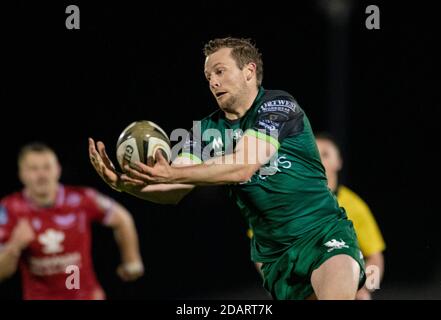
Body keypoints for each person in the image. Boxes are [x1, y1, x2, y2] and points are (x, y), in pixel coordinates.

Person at [88, 37, 366, 299]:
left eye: (220, 71)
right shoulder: (206, 131)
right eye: (208, 76)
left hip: (324, 233)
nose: (213, 82)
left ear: (249, 70)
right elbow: (173, 191)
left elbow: (243, 166)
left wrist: (171, 172)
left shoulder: (278, 106)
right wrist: (126, 185)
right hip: (275, 255)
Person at [0, 143, 144, 299]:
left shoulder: (82, 199)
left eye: (47, 167)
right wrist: (14, 245)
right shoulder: (9, 209)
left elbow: (122, 218)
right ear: (21, 174)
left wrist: (132, 261)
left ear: (58, 170)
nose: (41, 175)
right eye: (33, 169)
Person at [315, 132, 386, 300]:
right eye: (313, 153)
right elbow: (261, 246)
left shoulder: (354, 206)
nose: (318, 159)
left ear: (338, 162)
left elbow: (375, 257)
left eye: (325, 154)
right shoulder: (290, 201)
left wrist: (365, 288)